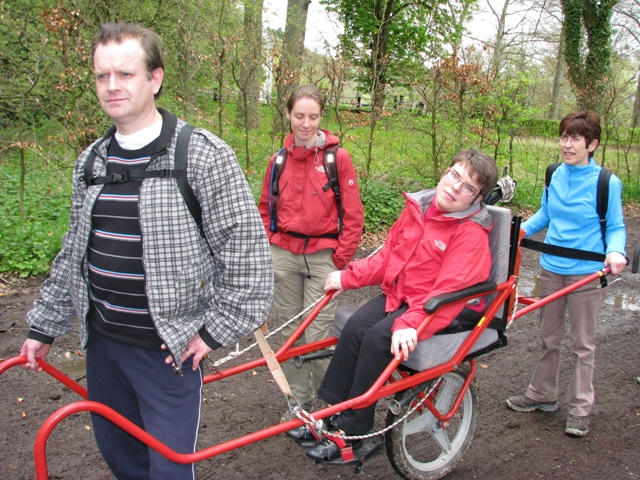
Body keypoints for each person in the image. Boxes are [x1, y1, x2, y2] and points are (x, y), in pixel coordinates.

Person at [20, 22, 273, 479]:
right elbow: (73, 254)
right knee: (121, 457)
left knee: (169, 469)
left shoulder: (201, 156)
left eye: (126, 74)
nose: (112, 86)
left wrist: (212, 332)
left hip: (167, 353)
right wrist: (43, 326)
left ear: (154, 79)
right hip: (102, 346)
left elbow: (249, 260)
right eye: (102, 76)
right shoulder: (91, 162)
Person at [298, 149, 498, 462]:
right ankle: (330, 416)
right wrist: (348, 278)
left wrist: (409, 324)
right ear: (445, 172)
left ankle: (352, 435)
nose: (456, 187)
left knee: (378, 338)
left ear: (477, 199)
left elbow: (449, 291)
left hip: (439, 306)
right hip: (403, 295)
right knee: (354, 328)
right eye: (455, 175)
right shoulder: (419, 209)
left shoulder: (469, 233)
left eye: (468, 188)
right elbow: (387, 257)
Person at [506, 111, 627, 437]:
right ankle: (542, 394)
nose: (567, 144)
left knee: (583, 344)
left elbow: (615, 226)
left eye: (575, 138)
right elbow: (546, 214)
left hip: (586, 274)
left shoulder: (607, 182)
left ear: (592, 144)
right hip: (551, 269)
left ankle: (579, 409)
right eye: (563, 137)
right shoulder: (554, 174)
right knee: (548, 338)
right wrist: (517, 231)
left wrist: (616, 251)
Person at [258, 86, 364, 416]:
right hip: (284, 253)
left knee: (317, 331)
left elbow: (353, 213)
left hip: (324, 256)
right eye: (299, 116)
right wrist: (268, 245)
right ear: (288, 115)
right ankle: (299, 402)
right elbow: (264, 207)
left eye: (313, 116)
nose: (306, 124)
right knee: (289, 330)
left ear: (321, 117)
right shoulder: (278, 160)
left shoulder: (337, 159)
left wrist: (341, 259)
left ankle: (332, 402)